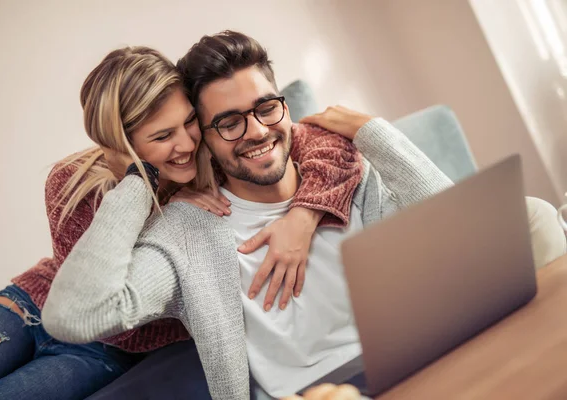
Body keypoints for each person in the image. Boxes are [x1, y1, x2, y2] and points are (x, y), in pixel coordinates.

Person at [42, 31, 566, 400]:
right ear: (203, 135)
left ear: (284, 106)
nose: (255, 130)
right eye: (227, 122)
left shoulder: (346, 174)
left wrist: (370, 130)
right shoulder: (186, 234)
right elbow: (74, 315)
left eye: (266, 107)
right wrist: (140, 179)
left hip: (427, 361)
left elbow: (462, 227)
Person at [0, 46, 365, 400]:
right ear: (122, 144)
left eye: (189, 122)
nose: (188, 144)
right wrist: (142, 185)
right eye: (162, 136)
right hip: (32, 304)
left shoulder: (219, 151)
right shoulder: (74, 182)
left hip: (107, 348)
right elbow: (93, 298)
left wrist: (304, 213)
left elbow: (315, 140)